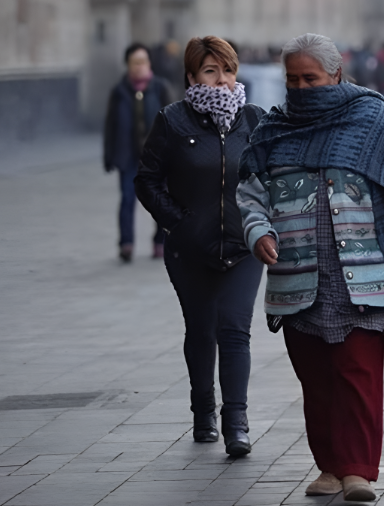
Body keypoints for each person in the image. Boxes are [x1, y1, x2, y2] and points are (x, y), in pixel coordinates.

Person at [237, 33, 384, 502]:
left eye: (310, 78)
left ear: (336, 75)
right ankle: (329, 468)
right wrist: (258, 232)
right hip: (296, 278)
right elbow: (251, 194)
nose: (300, 88)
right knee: (315, 378)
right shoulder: (272, 131)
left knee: (357, 373)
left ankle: (358, 470)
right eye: (292, 80)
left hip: (364, 276)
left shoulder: (371, 118)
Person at [135, 36, 266, 456]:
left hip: (244, 247)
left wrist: (262, 223)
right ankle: (203, 411)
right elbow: (146, 180)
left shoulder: (254, 119)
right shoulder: (173, 121)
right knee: (201, 330)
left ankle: (237, 423)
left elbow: (270, 177)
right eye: (211, 71)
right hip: (190, 250)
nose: (222, 80)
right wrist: (178, 222)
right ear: (192, 76)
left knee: (234, 330)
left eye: (228, 70)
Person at [104, 43, 173, 262]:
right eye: (135, 63)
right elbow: (110, 126)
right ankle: (126, 243)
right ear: (128, 65)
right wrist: (109, 155)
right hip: (128, 156)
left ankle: (160, 241)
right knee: (127, 199)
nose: (139, 67)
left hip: (157, 158)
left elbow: (174, 123)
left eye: (143, 62)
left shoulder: (161, 88)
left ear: (149, 63)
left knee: (160, 199)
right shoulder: (119, 91)